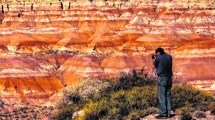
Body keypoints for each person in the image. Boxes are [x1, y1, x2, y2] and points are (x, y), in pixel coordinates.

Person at [153, 48, 173, 119]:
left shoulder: (158, 57)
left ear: (158, 52)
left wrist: (155, 59)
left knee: (161, 95)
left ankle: (163, 114)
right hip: (169, 77)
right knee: (168, 95)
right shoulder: (169, 56)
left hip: (162, 78)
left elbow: (154, 66)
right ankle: (168, 113)